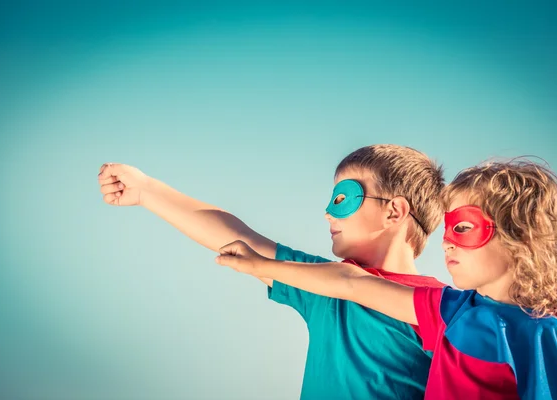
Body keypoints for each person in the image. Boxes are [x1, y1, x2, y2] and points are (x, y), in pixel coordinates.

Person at [98, 144, 446, 399]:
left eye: (343, 199)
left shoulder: (444, 309)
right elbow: (236, 235)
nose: (327, 214)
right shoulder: (322, 288)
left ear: (395, 212)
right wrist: (146, 190)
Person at [216, 159, 557, 399]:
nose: (447, 243)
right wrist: (257, 266)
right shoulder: (449, 311)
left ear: (518, 235)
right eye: (447, 228)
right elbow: (351, 282)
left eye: (463, 227)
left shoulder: (541, 334)